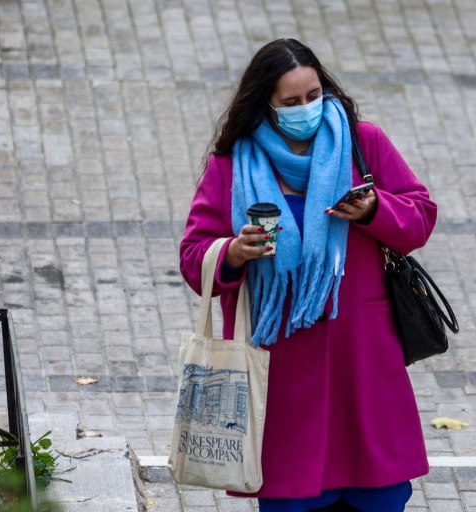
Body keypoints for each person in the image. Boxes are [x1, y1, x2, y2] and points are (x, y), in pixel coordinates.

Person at [179, 38, 437, 512]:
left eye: (314, 95)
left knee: (378, 494)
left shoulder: (364, 143)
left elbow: (420, 218)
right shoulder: (231, 164)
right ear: (266, 104)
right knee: (292, 497)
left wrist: (376, 208)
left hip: (361, 360)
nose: (307, 109)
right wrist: (235, 251)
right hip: (280, 371)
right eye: (291, 102)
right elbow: (195, 259)